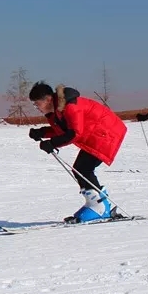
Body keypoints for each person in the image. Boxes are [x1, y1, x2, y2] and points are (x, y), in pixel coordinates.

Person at [28, 82, 127, 223]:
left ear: (48, 99)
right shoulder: (58, 110)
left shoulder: (70, 106)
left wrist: (52, 143)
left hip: (106, 133)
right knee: (81, 168)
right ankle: (96, 205)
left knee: (83, 168)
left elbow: (74, 133)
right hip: (98, 134)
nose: (37, 107)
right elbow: (62, 130)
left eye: (37, 103)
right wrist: (42, 132)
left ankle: (100, 208)